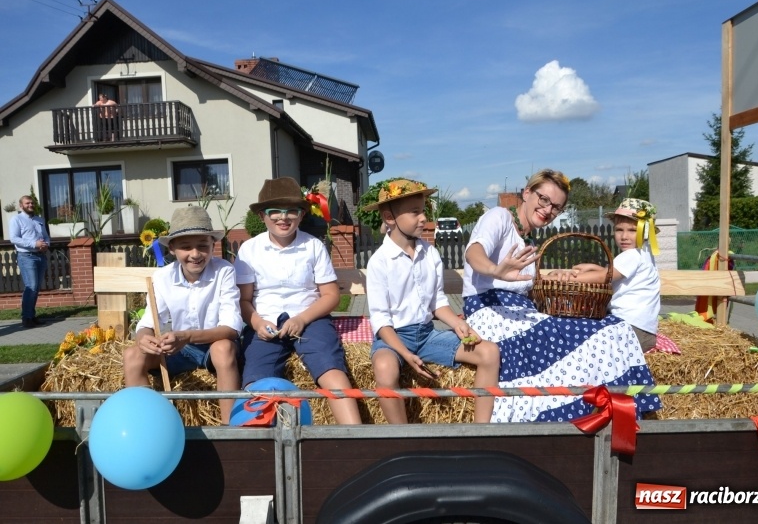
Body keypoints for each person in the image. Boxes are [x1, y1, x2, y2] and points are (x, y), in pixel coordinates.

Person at [462, 169, 661, 423]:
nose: (548, 209)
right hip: (489, 308)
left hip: (518, 309)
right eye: (543, 199)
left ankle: (612, 410)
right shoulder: (499, 217)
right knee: (581, 334)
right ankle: (578, 413)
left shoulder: (528, 241)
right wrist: (494, 270)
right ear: (526, 193)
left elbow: (526, 287)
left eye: (556, 207)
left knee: (601, 330)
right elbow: (474, 252)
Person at [363, 179, 500, 423]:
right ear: (389, 217)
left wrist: (457, 324)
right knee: (385, 369)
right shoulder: (379, 262)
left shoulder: (431, 254)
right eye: (415, 212)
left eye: (423, 211)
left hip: (427, 335)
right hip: (394, 337)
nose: (423, 218)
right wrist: (405, 354)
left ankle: (481, 431)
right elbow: (381, 321)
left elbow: (437, 301)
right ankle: (401, 439)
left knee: (489, 352)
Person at [234, 177, 361, 425]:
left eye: (292, 211)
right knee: (256, 380)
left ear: (302, 215)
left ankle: (354, 435)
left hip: (310, 319)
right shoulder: (249, 250)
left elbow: (331, 295)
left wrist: (303, 318)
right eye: (275, 212)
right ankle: (257, 445)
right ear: (262, 216)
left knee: (330, 368)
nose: (284, 217)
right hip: (266, 323)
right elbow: (244, 300)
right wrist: (257, 322)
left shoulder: (313, 246)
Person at [124, 206, 243, 424]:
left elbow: (231, 329)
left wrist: (187, 336)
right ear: (172, 249)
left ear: (213, 245)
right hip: (180, 349)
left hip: (212, 346)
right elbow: (147, 323)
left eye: (202, 246)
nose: (195, 254)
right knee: (132, 356)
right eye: (186, 247)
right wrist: (144, 339)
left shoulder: (224, 271)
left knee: (223, 348)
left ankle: (230, 427)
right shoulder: (161, 277)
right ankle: (147, 426)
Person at [548, 198, 661, 351]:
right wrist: (594, 267)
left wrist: (563, 278)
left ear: (645, 232)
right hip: (644, 330)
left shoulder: (632, 255)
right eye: (619, 229)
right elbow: (613, 272)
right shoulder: (644, 253)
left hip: (630, 329)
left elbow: (604, 277)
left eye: (632, 230)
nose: (624, 236)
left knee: (581, 337)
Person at [9, 195, 50, 328]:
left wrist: (46, 244)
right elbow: (14, 238)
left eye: (32, 203)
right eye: (27, 203)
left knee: (36, 288)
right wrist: (34, 244)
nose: (30, 205)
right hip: (27, 257)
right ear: (21, 206)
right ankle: (26, 318)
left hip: (40, 256)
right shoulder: (16, 219)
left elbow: (45, 236)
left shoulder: (39, 220)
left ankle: (31, 316)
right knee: (31, 286)